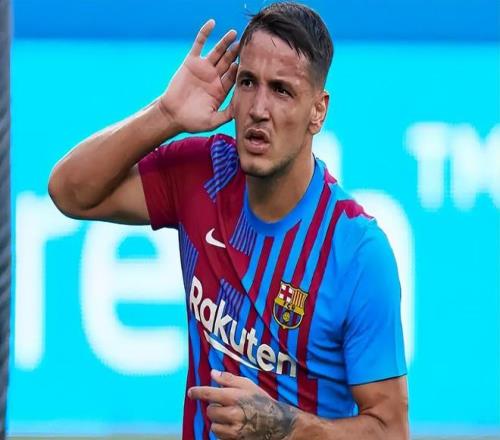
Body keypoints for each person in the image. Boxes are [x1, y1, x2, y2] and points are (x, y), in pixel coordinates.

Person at [48, 2, 409, 439]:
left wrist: (285, 426)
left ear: (318, 111)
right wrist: (165, 115)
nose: (258, 108)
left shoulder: (357, 252)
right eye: (248, 82)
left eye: (281, 90)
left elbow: (390, 430)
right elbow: (70, 191)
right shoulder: (202, 174)